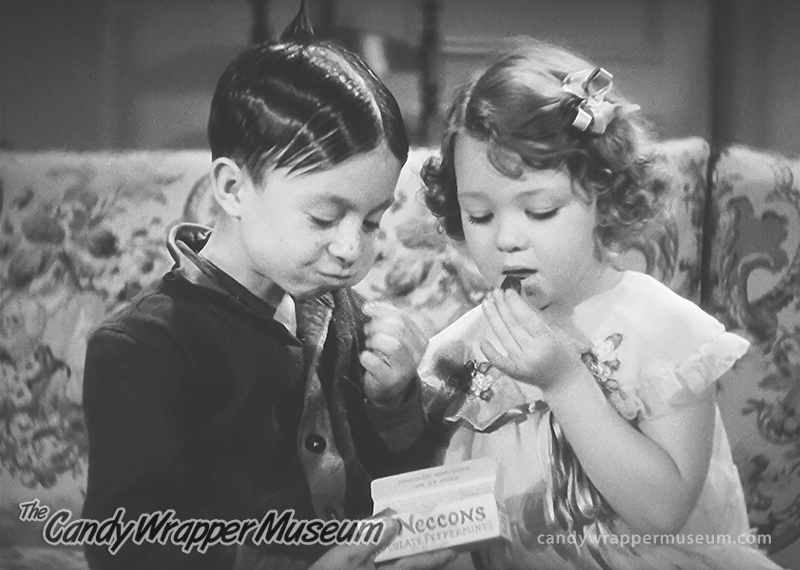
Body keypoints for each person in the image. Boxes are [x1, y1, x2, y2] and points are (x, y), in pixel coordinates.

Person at [82, 4, 454, 570]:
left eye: (373, 221)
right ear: (233, 188)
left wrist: (397, 403)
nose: (353, 248)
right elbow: (130, 546)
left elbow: (388, 483)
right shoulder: (143, 346)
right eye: (325, 218)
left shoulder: (344, 313)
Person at [418, 39, 785, 570]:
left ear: (603, 198)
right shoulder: (461, 349)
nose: (507, 239)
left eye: (540, 210)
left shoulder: (663, 331)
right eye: (479, 215)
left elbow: (663, 512)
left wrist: (565, 381)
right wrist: (393, 408)